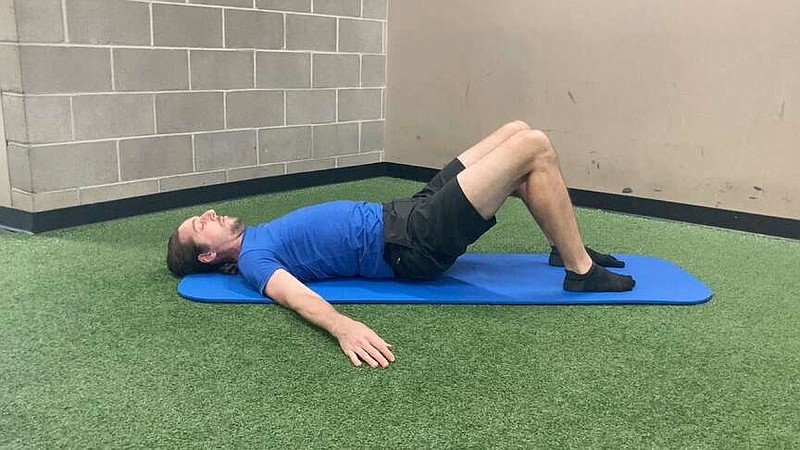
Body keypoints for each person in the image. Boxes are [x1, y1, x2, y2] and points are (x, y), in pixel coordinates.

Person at [167, 121, 635, 369]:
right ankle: (579, 269)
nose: (208, 215)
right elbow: (297, 297)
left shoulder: (256, 236)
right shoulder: (253, 259)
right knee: (534, 147)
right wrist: (343, 327)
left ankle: (563, 244)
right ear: (208, 255)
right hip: (412, 244)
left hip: (405, 213)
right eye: (199, 225)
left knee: (515, 131)